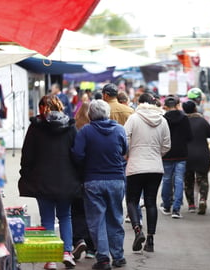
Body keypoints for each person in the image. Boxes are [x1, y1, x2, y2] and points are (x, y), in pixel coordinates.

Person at [18, 95, 80, 270]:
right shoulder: (70, 126)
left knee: (47, 218)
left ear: (42, 108)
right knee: (65, 216)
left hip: (42, 179)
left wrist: (25, 174)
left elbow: (27, 154)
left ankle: (50, 259)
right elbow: (77, 153)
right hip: (66, 180)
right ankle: (67, 252)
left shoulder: (36, 127)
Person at [72, 99, 128, 269]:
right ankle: (118, 256)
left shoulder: (85, 131)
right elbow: (125, 150)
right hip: (116, 180)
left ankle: (103, 258)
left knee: (97, 220)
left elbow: (77, 155)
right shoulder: (119, 129)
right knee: (115, 218)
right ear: (107, 113)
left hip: (93, 181)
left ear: (90, 115)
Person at [124, 92, 171, 253]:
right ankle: (150, 239)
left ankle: (138, 229)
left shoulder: (134, 118)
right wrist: (157, 155)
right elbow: (166, 145)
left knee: (132, 200)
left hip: (135, 165)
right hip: (155, 167)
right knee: (151, 202)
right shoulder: (162, 120)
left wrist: (129, 153)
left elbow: (124, 139)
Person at [160, 95, 193, 219]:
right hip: (181, 153)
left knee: (167, 179)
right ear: (177, 105)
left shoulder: (163, 119)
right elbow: (189, 136)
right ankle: (176, 209)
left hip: (167, 154)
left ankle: (166, 206)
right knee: (179, 180)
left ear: (166, 107)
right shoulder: (184, 118)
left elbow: (160, 136)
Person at [71, 101, 96, 260]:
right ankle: (92, 248)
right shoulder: (94, 129)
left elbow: (74, 154)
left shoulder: (74, 129)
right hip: (93, 175)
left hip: (76, 177)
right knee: (92, 212)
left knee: (76, 211)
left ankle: (78, 239)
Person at [182, 100, 210, 214]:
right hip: (202, 154)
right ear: (195, 108)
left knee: (188, 181)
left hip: (186, 155)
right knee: (203, 179)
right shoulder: (201, 120)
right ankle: (202, 199)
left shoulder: (183, 121)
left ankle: (191, 205)